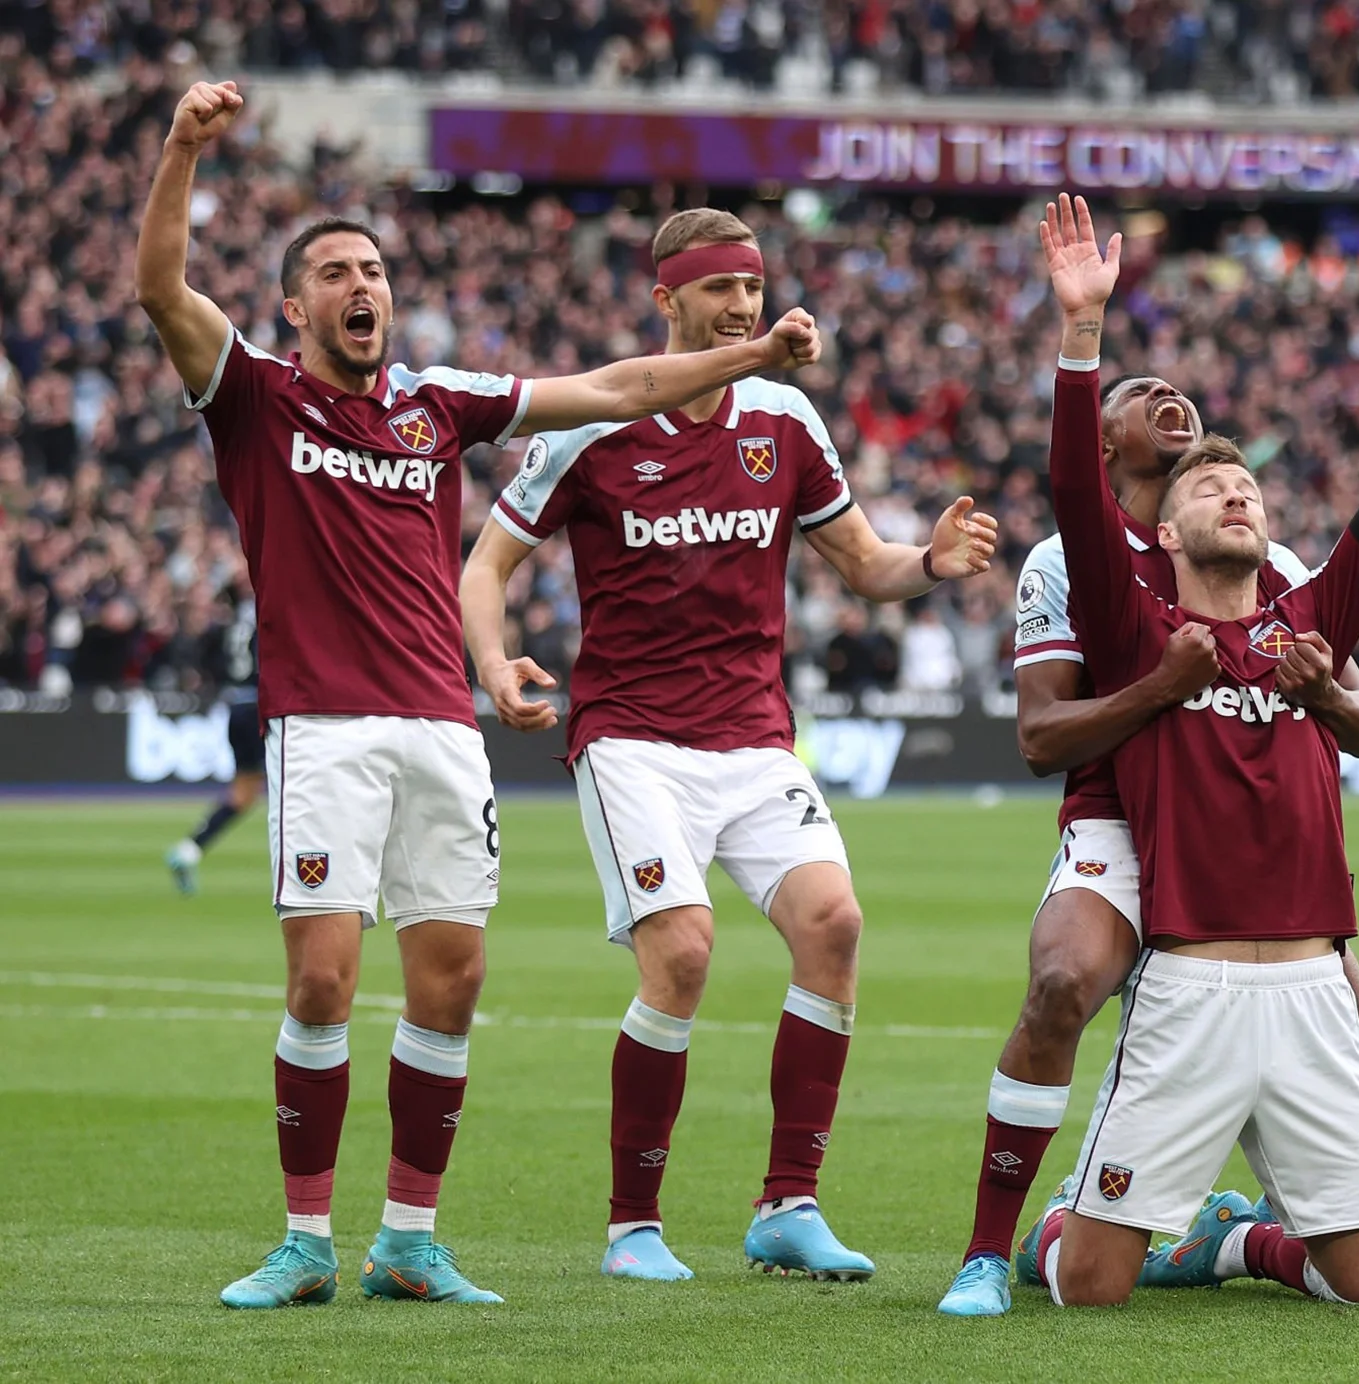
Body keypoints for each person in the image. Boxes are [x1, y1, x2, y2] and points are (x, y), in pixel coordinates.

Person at [137, 81, 822, 1310]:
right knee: (323, 983)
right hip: (323, 726)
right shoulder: (255, 396)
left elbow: (617, 390)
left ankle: (408, 1240)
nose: (362, 287)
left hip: (443, 731)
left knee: (450, 985)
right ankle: (305, 1240)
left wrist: (752, 355)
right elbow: (161, 290)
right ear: (294, 307)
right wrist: (185, 148)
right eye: (336, 274)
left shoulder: (435, 403)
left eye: (375, 271)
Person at [459, 207, 998, 1284]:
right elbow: (487, 565)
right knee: (684, 954)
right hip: (632, 740)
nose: (742, 306)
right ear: (668, 300)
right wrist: (494, 660)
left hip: (755, 738)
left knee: (835, 925)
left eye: (751, 287)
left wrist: (930, 563)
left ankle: (788, 1205)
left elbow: (863, 562)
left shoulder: (785, 420)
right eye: (720, 289)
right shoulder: (593, 424)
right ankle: (632, 1226)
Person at [1024, 195, 1359, 1310]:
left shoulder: (1311, 624)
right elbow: (1077, 491)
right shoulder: (1138, 631)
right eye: (1208, 487)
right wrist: (1082, 328)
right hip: (1191, 986)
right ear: (1163, 531)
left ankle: (1232, 1244)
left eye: (1250, 488)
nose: (1235, 492)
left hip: (1314, 986)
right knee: (1089, 1288)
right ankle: (1058, 1226)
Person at [937, 366, 1359, 1316]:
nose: (1167, 391)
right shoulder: (1067, 559)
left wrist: (1326, 695)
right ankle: (991, 1250)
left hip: (1237, 837)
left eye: (1175, 386)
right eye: (1137, 388)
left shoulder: (1266, 557)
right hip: (1120, 815)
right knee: (1063, 982)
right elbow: (1041, 739)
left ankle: (1240, 1234)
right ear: (1104, 440)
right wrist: (1162, 691)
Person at [166, 575, 261, 893]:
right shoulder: (268, 609)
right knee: (290, 787)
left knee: (244, 793)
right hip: (262, 705)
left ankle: (188, 850)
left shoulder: (232, 621)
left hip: (236, 706)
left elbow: (208, 658)